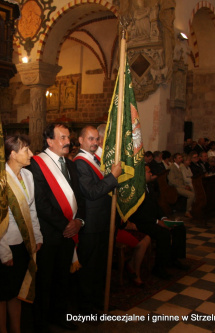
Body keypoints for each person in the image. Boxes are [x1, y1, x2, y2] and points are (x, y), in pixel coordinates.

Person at [29, 123, 86, 331]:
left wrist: (79, 221)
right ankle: (41, 322)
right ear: (49, 141)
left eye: (68, 138)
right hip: (48, 234)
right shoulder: (36, 164)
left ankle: (59, 316)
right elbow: (41, 203)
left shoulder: (70, 164)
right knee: (45, 281)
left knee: (63, 279)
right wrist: (66, 225)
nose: (67, 142)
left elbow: (79, 198)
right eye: (62, 138)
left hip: (69, 233)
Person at [0, 134, 43, 333]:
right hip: (5, 245)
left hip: (23, 242)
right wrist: (4, 252)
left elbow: (32, 210)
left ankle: (16, 329)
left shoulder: (28, 175)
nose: (31, 154)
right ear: (12, 153)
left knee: (16, 291)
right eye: (26, 150)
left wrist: (37, 236)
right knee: (1, 293)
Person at [73, 126, 121, 313]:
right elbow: (92, 192)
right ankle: (85, 307)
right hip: (91, 224)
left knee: (101, 265)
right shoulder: (80, 163)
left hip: (103, 221)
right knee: (89, 267)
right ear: (81, 140)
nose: (94, 143)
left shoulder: (94, 160)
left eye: (96, 139)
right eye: (90, 139)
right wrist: (113, 176)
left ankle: (98, 301)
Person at [131, 166, 188, 279]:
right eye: (148, 172)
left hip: (153, 220)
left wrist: (163, 218)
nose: (151, 173)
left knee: (179, 228)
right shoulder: (135, 189)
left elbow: (156, 206)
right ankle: (159, 268)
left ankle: (173, 259)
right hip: (142, 222)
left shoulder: (150, 186)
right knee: (163, 233)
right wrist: (157, 222)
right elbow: (138, 213)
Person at [168, 153, 194, 218]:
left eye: (181, 158)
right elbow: (172, 180)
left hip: (182, 185)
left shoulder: (181, 166)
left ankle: (193, 208)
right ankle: (187, 211)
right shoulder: (172, 167)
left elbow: (182, 178)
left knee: (194, 190)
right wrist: (183, 186)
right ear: (175, 159)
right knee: (191, 195)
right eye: (179, 158)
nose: (181, 159)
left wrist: (185, 185)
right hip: (175, 187)